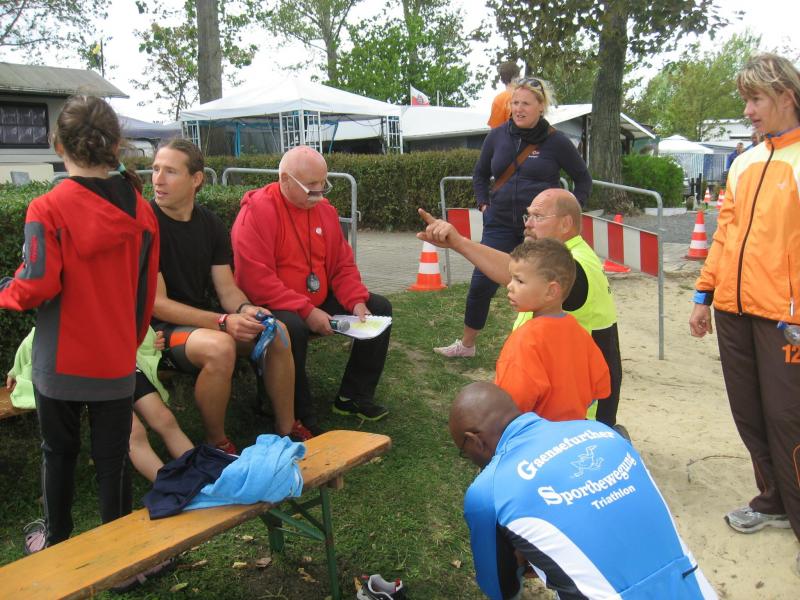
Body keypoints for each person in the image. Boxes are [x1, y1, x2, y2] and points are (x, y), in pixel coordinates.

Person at [0, 95, 159, 552]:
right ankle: (121, 557)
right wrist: (126, 344)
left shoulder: (47, 208)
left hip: (59, 364)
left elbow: (35, 286)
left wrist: (7, 289)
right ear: (115, 145)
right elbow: (145, 292)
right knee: (114, 460)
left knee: (58, 454)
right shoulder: (141, 209)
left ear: (58, 145)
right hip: (115, 360)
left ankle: (56, 542)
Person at [688, 53, 800, 573]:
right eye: (746, 101)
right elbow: (725, 235)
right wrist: (703, 295)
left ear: (786, 97)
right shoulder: (744, 163)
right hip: (734, 309)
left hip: (786, 319)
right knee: (750, 413)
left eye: (756, 100)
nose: (748, 111)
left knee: (788, 417)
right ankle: (773, 500)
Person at [451, 381, 717, 600]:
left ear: (474, 441)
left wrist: (524, 561)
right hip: (696, 588)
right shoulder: (601, 431)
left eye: (464, 452)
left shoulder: (488, 489)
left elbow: (500, 587)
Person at [419, 188, 625, 433]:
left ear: (565, 223)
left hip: (574, 422)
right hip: (573, 414)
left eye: (538, 216)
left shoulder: (573, 265)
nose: (528, 224)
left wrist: (459, 242)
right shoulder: (569, 258)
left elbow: (521, 271)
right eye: (528, 216)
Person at [150, 139, 312, 452]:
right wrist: (224, 321)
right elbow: (158, 305)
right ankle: (217, 442)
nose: (158, 179)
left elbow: (226, 289)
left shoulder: (209, 223)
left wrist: (246, 309)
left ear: (196, 179)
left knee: (276, 331)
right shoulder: (146, 224)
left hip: (204, 324)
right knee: (220, 347)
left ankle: (287, 430)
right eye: (155, 169)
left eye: (170, 171)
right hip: (157, 332)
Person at [231, 146, 392, 423]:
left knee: (379, 307)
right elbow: (256, 281)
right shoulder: (257, 212)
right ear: (285, 180)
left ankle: (354, 396)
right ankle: (296, 414)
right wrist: (307, 311)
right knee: (290, 327)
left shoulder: (324, 210)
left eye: (323, 183)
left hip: (313, 299)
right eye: (311, 185)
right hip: (272, 305)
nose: (319, 192)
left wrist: (356, 300)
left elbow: (342, 264)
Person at [435, 77, 592, 359]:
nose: (518, 109)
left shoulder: (557, 141)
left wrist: (567, 213)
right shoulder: (496, 136)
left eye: (525, 104)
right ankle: (467, 345)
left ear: (541, 107)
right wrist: (483, 203)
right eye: (515, 103)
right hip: (498, 222)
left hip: (538, 229)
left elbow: (583, 179)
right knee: (481, 283)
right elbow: (480, 174)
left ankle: (544, 344)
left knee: (539, 286)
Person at [7, 327, 193, 483]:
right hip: (89, 378)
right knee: (134, 432)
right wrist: (16, 370)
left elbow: (135, 321)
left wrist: (152, 339)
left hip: (123, 365)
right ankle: (171, 486)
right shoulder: (62, 308)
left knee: (165, 419)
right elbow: (36, 337)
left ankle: (201, 471)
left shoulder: (113, 301)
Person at [497, 238, 609, 421]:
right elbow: (598, 388)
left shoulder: (525, 340)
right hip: (574, 430)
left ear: (551, 291)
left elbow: (511, 404)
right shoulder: (580, 333)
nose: (509, 285)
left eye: (519, 280)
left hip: (536, 433)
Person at [487, 61, 520, 128]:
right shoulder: (528, 95)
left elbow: (496, 129)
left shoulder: (499, 100)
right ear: (517, 76)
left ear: (502, 79)